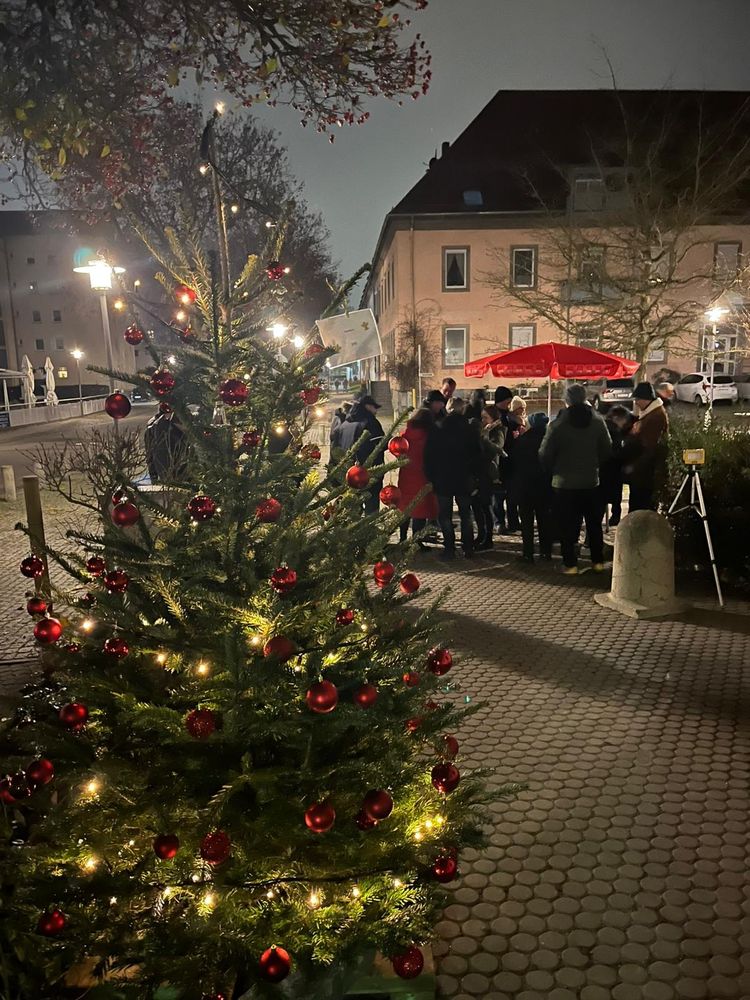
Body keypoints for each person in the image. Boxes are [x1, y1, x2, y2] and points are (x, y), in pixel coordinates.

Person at [539, 383, 612, 574]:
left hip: (563, 484)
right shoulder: (598, 423)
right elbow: (607, 449)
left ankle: (570, 564)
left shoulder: (557, 425)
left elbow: (544, 453)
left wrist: (554, 468)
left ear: (567, 400)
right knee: (593, 524)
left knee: (567, 525)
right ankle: (597, 562)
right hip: (591, 482)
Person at [425, 396, 481, 559]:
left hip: (443, 478)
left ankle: (449, 548)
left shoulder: (438, 428)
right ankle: (468, 547)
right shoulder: (470, 428)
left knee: (445, 515)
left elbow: (429, 456)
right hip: (464, 477)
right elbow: (478, 454)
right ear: (462, 409)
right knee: (466, 513)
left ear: (448, 409)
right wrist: (474, 476)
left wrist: (431, 477)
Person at [512, 411, 553, 562]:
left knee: (527, 521)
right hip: (544, 486)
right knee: (544, 520)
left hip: (526, 486)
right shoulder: (549, 440)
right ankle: (546, 552)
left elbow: (514, 461)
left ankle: (528, 553)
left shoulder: (523, 440)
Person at [396, 407, 438, 544]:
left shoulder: (404, 434)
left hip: (406, 475)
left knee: (405, 508)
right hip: (422, 475)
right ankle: (417, 541)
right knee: (420, 509)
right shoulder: (429, 436)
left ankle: (402, 538)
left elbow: (396, 451)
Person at [337, 395, 385, 514]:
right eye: (375, 408)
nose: (376, 411)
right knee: (371, 503)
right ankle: (370, 529)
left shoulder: (346, 422)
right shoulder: (370, 422)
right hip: (370, 471)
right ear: (368, 407)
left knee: (353, 506)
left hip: (348, 472)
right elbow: (381, 443)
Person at [627, 382, 669, 512]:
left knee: (641, 509)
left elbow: (650, 447)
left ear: (645, 399)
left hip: (646, 475)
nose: (636, 403)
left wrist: (633, 467)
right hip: (643, 472)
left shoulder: (655, 417)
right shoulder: (649, 413)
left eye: (637, 399)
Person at [488, 386, 519, 533]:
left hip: (509, 459)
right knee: (499, 494)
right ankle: (499, 522)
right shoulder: (494, 415)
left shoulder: (508, 416)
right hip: (499, 459)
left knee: (509, 493)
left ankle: (511, 521)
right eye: (509, 400)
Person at [599, 405, 634, 527]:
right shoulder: (614, 431)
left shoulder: (603, 427)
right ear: (617, 418)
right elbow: (616, 452)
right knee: (615, 498)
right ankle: (615, 519)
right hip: (613, 470)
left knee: (600, 502)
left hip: (603, 470)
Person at [144, 408, 188, 482]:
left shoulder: (153, 424)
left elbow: (150, 456)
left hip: (167, 473)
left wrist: (153, 478)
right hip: (175, 472)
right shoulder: (155, 424)